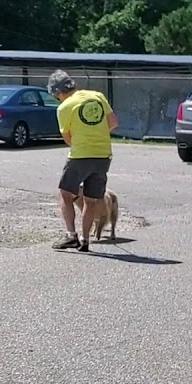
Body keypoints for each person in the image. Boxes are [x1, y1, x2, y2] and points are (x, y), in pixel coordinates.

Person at [47, 69, 117, 252]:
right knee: (91, 199)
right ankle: (85, 240)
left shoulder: (64, 107)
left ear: (58, 92)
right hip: (103, 155)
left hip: (80, 155)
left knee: (65, 193)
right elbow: (112, 123)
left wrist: (83, 140)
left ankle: (71, 236)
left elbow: (67, 137)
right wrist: (96, 135)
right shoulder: (98, 96)